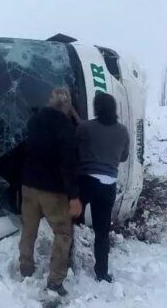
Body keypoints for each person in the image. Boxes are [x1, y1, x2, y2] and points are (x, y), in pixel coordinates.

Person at [18, 87, 82, 296]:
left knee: (29, 229)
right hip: (52, 192)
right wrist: (74, 197)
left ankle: (25, 267)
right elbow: (68, 164)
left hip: (28, 186)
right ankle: (55, 281)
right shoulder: (65, 127)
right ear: (67, 106)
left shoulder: (34, 120)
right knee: (63, 233)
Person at [73, 92, 130, 283]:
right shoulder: (122, 131)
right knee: (102, 231)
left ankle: (67, 263)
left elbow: (75, 142)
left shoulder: (86, 127)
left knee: (70, 219)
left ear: (97, 108)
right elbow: (123, 157)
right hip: (109, 186)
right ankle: (102, 273)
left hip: (87, 181)